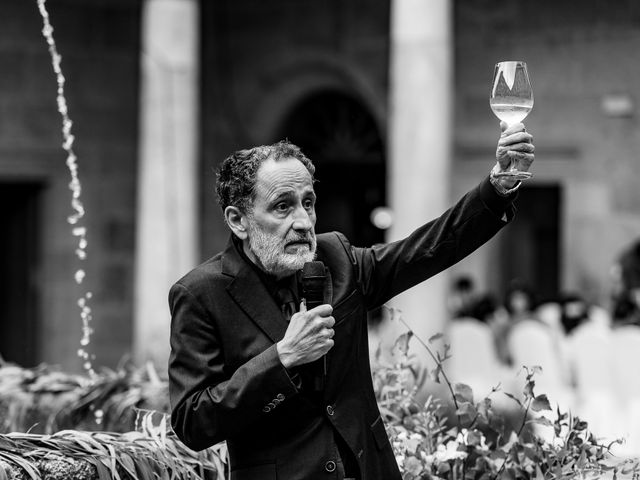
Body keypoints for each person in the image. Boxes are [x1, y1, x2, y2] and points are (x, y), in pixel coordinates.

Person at [168, 122, 535, 480]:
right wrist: (282, 359)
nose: (303, 221)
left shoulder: (337, 258)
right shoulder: (201, 294)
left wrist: (497, 189)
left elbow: (427, 250)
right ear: (238, 220)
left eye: (307, 203)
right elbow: (192, 422)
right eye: (283, 206)